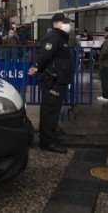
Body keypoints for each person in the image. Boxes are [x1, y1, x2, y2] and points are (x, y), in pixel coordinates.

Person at [27, 13, 74, 153]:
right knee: (50, 111)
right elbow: (44, 56)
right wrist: (36, 67)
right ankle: (47, 142)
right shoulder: (54, 37)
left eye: (67, 22)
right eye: (63, 22)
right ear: (55, 24)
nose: (67, 24)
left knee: (52, 110)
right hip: (53, 80)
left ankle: (48, 138)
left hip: (58, 79)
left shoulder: (60, 37)